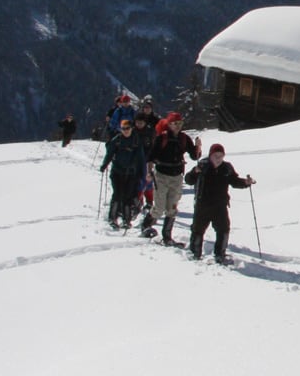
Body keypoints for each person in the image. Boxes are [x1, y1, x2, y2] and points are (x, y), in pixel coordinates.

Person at [188, 143, 255, 263]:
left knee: (223, 229)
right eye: (216, 156)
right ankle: (195, 253)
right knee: (198, 229)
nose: (218, 158)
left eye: (221, 156)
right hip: (203, 204)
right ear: (210, 155)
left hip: (220, 204)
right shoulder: (203, 165)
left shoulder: (227, 168)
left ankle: (220, 254)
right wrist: (195, 172)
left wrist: (245, 182)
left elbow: (234, 181)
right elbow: (188, 180)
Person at [149, 113, 200, 247]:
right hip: (162, 175)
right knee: (159, 207)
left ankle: (167, 236)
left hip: (176, 176)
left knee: (172, 207)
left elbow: (194, 156)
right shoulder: (162, 138)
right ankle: (147, 225)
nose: (177, 126)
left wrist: (197, 147)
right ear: (169, 124)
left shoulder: (184, 138)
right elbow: (151, 156)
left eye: (180, 123)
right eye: (175, 123)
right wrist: (149, 171)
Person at [100, 116, 149, 230]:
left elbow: (141, 158)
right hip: (117, 172)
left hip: (131, 173)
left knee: (127, 196)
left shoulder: (136, 141)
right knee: (117, 194)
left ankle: (126, 220)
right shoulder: (117, 140)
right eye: (123, 128)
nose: (126, 130)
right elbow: (109, 154)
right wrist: (104, 165)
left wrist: (142, 173)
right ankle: (113, 218)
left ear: (131, 128)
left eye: (127, 128)